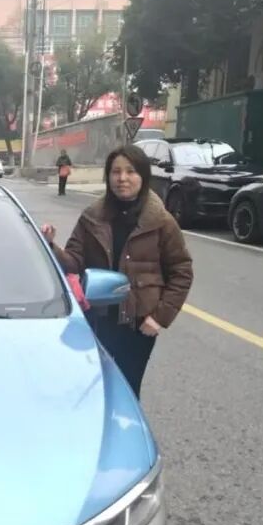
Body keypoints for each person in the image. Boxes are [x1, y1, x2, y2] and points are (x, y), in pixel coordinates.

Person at [42, 145, 193, 398]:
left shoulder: (161, 221)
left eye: (130, 171)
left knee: (127, 391)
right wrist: (50, 245)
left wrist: (159, 317)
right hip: (97, 322)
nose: (122, 178)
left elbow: (182, 271)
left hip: (137, 326)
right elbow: (74, 263)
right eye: (116, 172)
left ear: (143, 176)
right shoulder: (92, 217)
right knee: (91, 389)